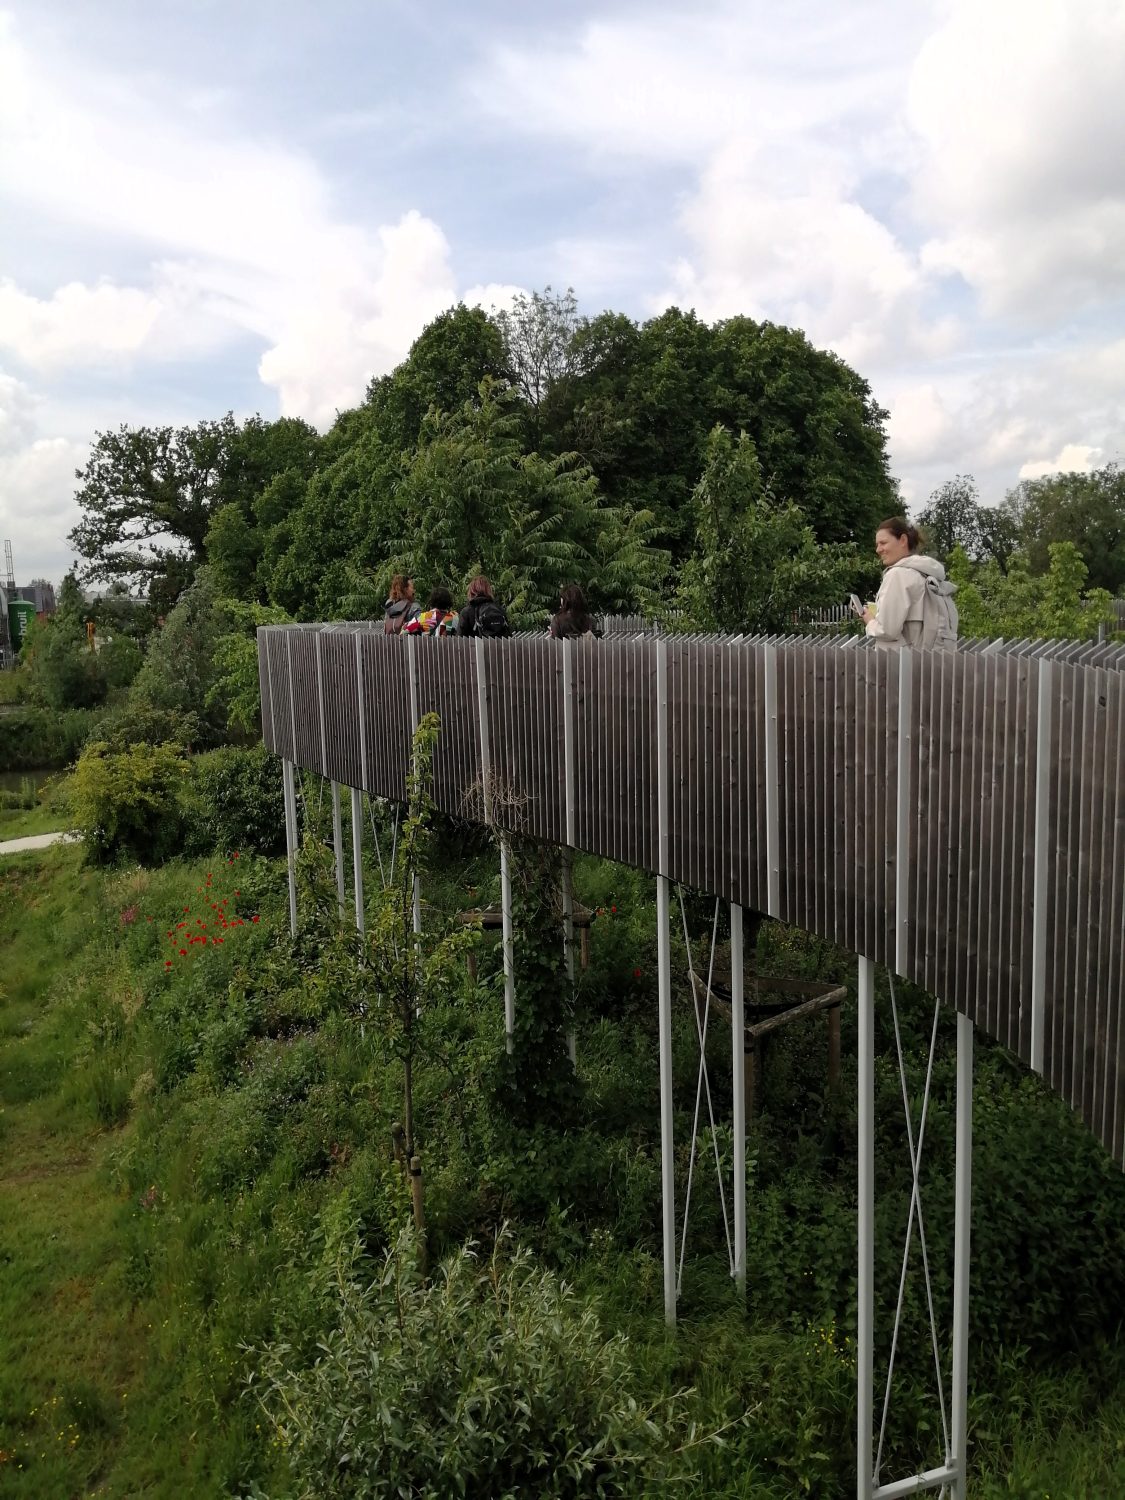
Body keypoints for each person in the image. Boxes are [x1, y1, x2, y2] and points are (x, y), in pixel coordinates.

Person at [862, 518, 959, 650]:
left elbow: (887, 630)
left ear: (903, 540)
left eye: (883, 543)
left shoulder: (897, 575)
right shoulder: (926, 574)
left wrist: (870, 622)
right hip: (932, 662)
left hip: (905, 665)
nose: (878, 550)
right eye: (877, 544)